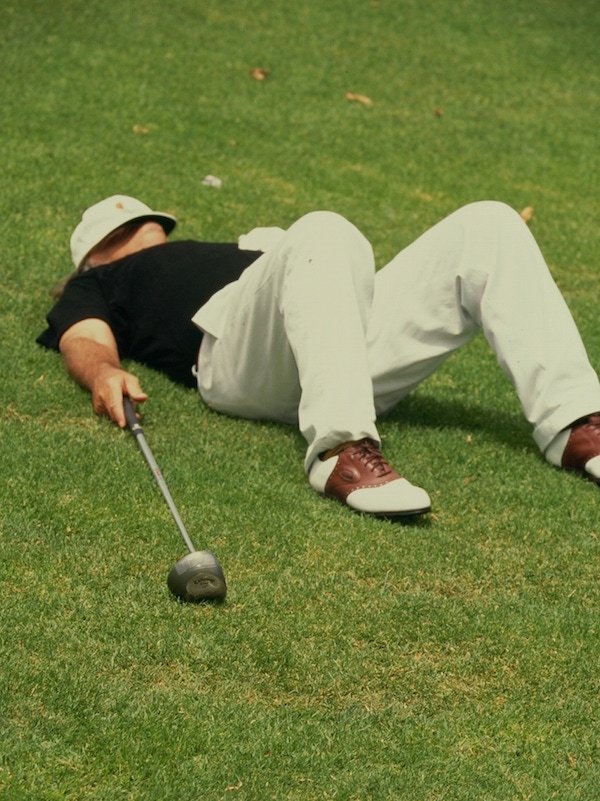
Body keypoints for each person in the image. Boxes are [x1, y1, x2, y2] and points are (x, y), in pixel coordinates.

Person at [37, 195, 600, 518]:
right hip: (236, 358)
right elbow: (83, 338)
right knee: (324, 229)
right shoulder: (101, 281)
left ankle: (574, 424)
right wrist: (104, 371)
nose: (147, 227)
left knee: (489, 223)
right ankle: (340, 450)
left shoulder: (235, 246)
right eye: (126, 228)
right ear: (94, 256)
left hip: (338, 344)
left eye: (145, 219)